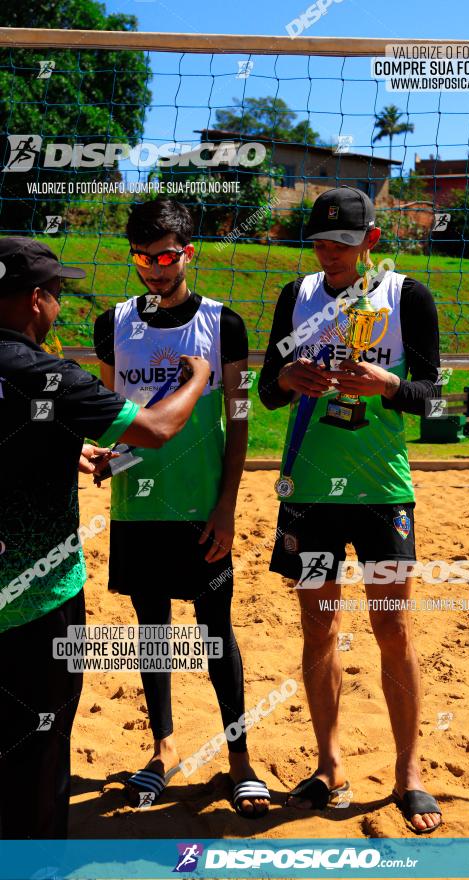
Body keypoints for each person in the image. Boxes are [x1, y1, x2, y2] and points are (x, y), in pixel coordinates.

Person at [0, 236, 210, 839]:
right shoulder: (47, 373)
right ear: (36, 300)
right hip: (36, 603)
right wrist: (194, 378)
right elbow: (156, 427)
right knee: (39, 754)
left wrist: (66, 449)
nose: (58, 307)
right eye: (56, 295)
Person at [259, 186, 443, 834]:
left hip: (381, 492)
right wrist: (287, 379)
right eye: (319, 242)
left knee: (393, 632)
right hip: (309, 492)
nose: (327, 252)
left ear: (370, 242)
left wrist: (387, 384)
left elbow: (432, 397)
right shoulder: (297, 296)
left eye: (341, 242)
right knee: (318, 630)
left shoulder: (404, 297)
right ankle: (329, 764)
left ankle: (407, 774)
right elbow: (266, 390)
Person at [93, 199, 270, 818]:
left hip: (201, 505)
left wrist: (228, 505)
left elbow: (240, 417)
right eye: (144, 257)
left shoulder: (226, 324)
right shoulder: (110, 323)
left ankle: (240, 759)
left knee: (216, 628)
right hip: (137, 506)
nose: (155, 269)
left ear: (188, 252)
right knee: (152, 631)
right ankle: (161, 750)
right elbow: (115, 419)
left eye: (167, 256)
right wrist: (104, 455)